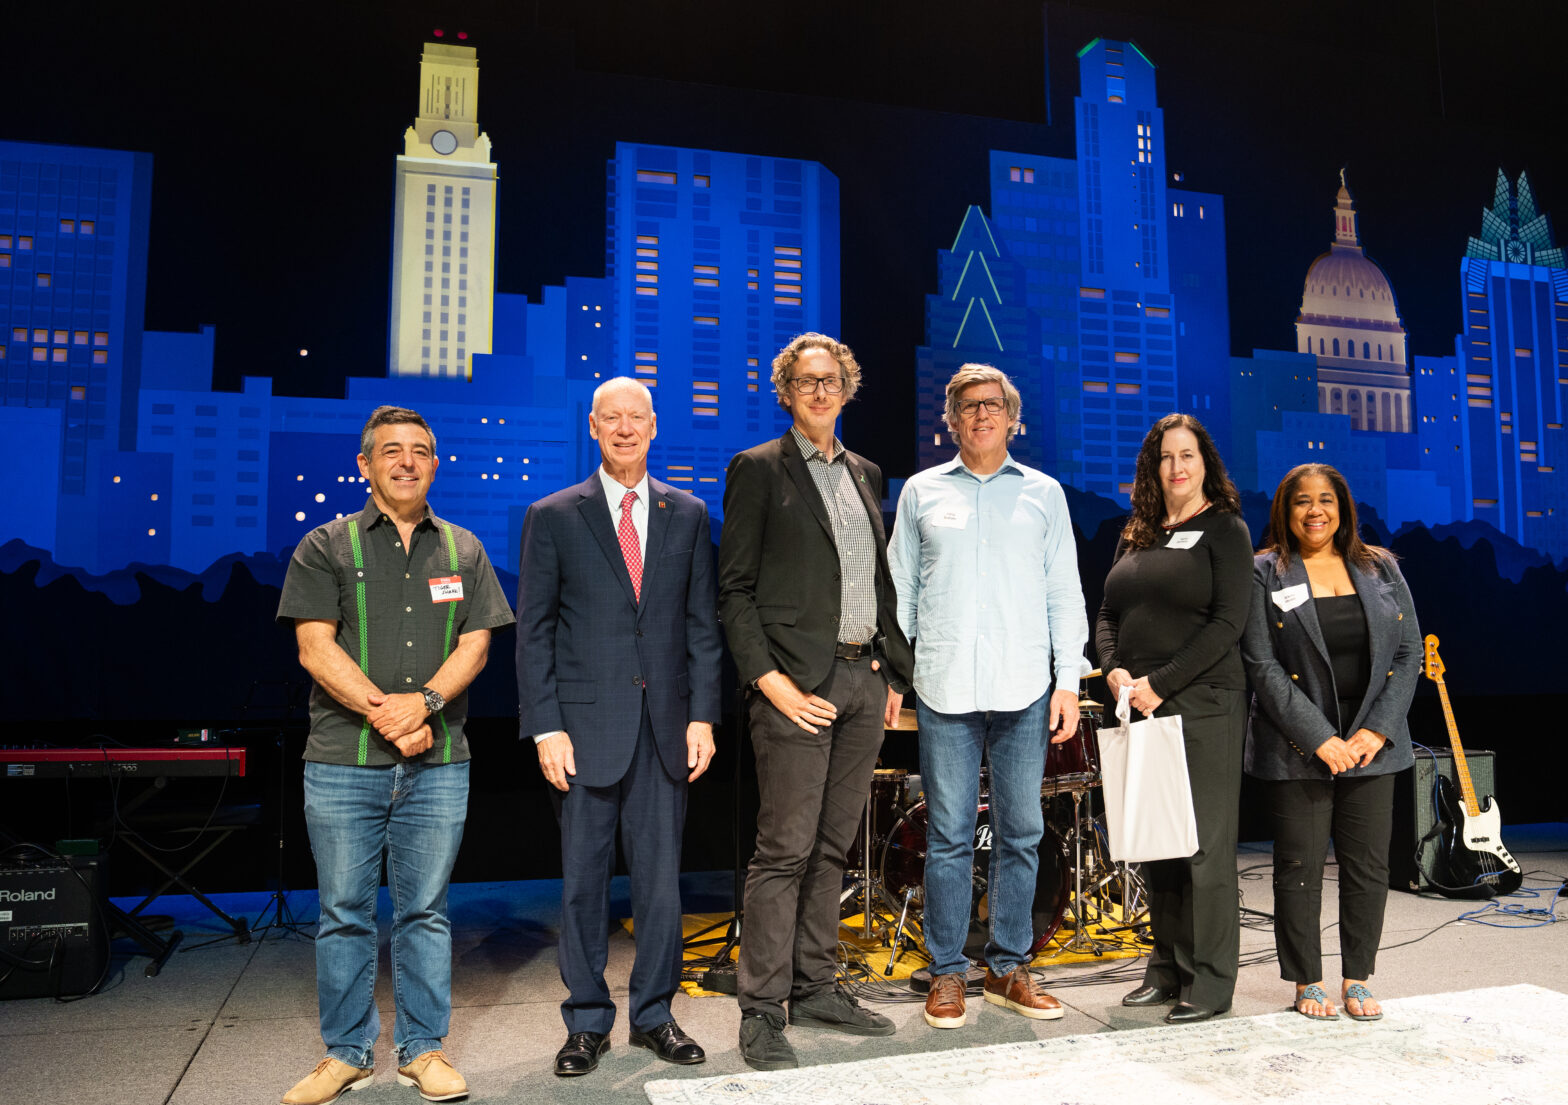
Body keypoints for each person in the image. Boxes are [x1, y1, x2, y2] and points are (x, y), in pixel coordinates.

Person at [277, 405, 514, 1105]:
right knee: (345, 909)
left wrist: (428, 704)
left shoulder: (464, 549)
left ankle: (422, 1049)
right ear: (366, 464)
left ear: (434, 464)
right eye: (391, 451)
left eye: (419, 451)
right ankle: (347, 1052)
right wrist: (391, 711)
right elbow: (314, 646)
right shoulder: (325, 545)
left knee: (426, 910)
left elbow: (477, 642)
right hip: (343, 760)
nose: (406, 461)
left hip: (438, 763)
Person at [718, 332, 915, 1071]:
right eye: (805, 382)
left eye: (831, 380)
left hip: (863, 682)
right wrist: (770, 682)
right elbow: (733, 592)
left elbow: (879, 585)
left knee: (833, 847)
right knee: (783, 852)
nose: (820, 392)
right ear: (786, 391)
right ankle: (762, 1009)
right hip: (795, 687)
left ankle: (817, 983)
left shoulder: (864, 471)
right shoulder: (759, 470)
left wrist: (892, 673)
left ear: (848, 386)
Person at [516, 377, 723, 1075]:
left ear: (655, 426)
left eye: (637, 417)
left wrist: (703, 714)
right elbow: (534, 632)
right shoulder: (554, 514)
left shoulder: (686, 511)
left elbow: (702, 625)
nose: (626, 428)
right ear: (594, 428)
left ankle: (655, 1015)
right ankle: (585, 1022)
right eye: (613, 418)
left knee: (662, 886)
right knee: (582, 883)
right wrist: (545, 725)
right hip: (581, 731)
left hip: (666, 729)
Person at [888, 363, 1089, 1030]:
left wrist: (1067, 680)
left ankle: (1006, 967)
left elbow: (1065, 592)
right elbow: (901, 598)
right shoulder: (920, 492)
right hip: (943, 689)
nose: (980, 414)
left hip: (1025, 688)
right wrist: (895, 676)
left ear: (1012, 416)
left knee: (1022, 831)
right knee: (946, 834)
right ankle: (947, 973)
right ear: (950, 419)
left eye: (992, 404)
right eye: (968, 405)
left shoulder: (1043, 494)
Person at [1240, 463, 1419, 1022]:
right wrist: (1321, 738)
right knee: (1299, 867)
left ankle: (1358, 979)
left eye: (1325, 500)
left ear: (1342, 508)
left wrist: (1374, 731)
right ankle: (1307, 981)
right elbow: (1260, 664)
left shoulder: (1380, 567)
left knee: (1368, 869)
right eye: (1301, 501)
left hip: (1373, 747)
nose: (1314, 510)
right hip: (1298, 747)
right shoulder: (1264, 573)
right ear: (1285, 511)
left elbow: (1407, 654)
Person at [1094, 412, 1252, 1025]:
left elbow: (1227, 625)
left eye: (1187, 455)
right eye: (1166, 457)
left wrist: (1161, 683)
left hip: (1204, 701)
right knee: (1157, 841)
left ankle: (1210, 984)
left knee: (1203, 848)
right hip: (1136, 701)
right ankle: (1164, 971)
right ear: (1152, 467)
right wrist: (1113, 671)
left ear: (1205, 463)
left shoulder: (1226, 529)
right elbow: (1107, 613)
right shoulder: (1138, 532)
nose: (1177, 467)